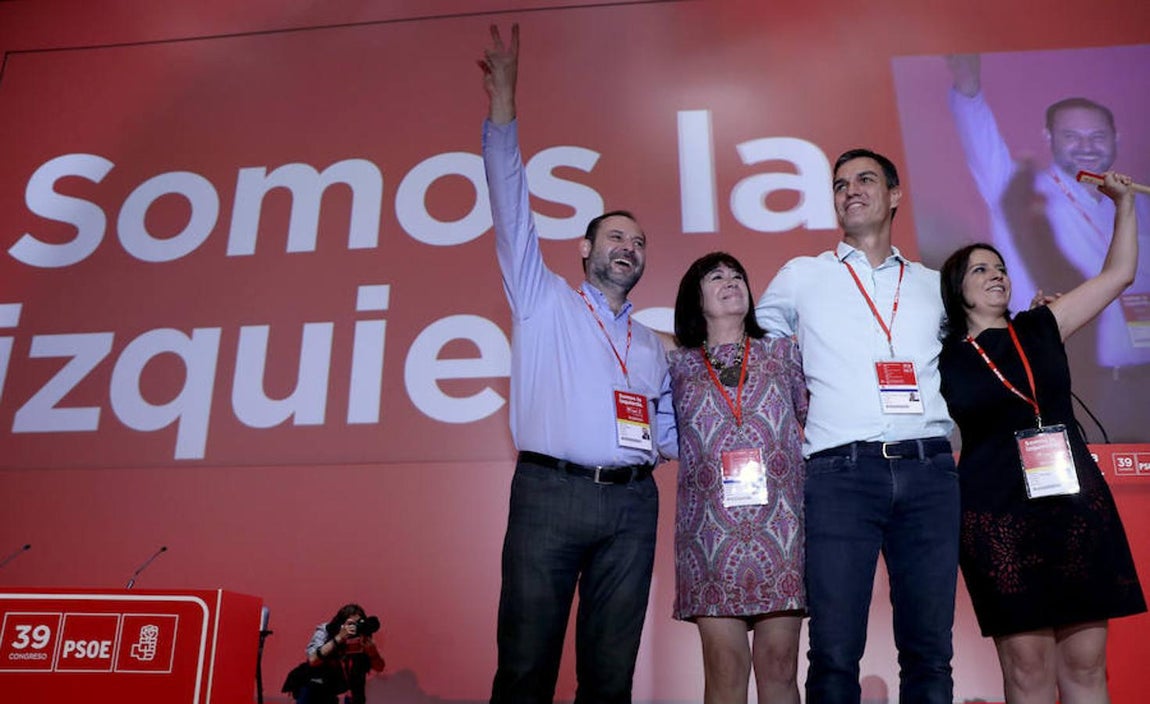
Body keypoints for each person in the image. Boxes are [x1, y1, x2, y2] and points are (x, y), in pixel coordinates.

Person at [478, 24, 677, 704]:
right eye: (615, 236)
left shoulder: (654, 345)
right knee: (527, 667)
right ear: (583, 249)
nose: (629, 247)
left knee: (610, 677)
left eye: (639, 241)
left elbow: (671, 431)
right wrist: (504, 101)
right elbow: (510, 206)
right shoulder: (543, 300)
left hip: (632, 505)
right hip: (549, 497)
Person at [755, 149, 959, 703]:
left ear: (894, 195)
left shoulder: (934, 286)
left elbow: (982, 345)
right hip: (841, 474)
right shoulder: (803, 275)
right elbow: (754, 351)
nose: (850, 191)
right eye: (840, 184)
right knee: (835, 651)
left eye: (865, 180)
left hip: (930, 470)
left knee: (930, 652)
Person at [937, 170, 1146, 703]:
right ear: (955, 288)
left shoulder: (1042, 325)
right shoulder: (943, 357)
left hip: (1074, 507)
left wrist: (1122, 204)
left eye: (1001, 267)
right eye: (980, 268)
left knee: (1085, 663)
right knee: (1027, 669)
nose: (996, 274)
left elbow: (1119, 273)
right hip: (998, 516)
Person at [946, 53, 1150, 441]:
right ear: (1049, 137)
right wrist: (969, 90)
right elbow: (981, 139)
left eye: (1097, 136)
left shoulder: (1138, 201)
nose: (1086, 147)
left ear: (1116, 138)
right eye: (1071, 136)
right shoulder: (1023, 192)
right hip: (1094, 386)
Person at [669, 251, 808, 703]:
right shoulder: (676, 365)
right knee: (725, 670)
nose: (731, 281)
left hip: (781, 531)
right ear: (696, 298)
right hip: (709, 537)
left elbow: (818, 423)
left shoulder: (783, 353)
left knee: (781, 667)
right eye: (716, 276)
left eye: (737, 275)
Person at [291, 603, 385, 704]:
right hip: (318, 685)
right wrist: (339, 638)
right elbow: (313, 660)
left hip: (348, 687)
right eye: (350, 624)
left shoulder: (362, 635)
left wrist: (373, 653)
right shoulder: (326, 631)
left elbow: (380, 667)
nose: (353, 629)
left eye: (356, 624)